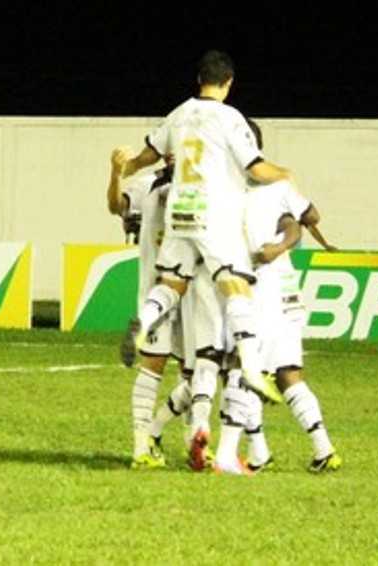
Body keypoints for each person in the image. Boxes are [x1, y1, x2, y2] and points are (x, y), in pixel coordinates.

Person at [117, 50, 295, 461]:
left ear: (199, 79)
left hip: (181, 210)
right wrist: (287, 175)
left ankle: (143, 322)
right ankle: (251, 365)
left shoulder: (178, 114)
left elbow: (145, 158)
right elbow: (256, 167)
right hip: (216, 214)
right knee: (236, 284)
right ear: (228, 81)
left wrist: (125, 165)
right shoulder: (230, 118)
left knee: (171, 284)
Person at [214, 120, 342, 474]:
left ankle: (244, 454)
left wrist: (278, 244)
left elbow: (303, 218)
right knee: (287, 372)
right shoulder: (244, 187)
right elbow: (297, 219)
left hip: (264, 290)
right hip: (282, 289)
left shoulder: (264, 187)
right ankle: (322, 448)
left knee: (241, 367)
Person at [107, 147, 194, 469]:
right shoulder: (147, 185)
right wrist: (116, 173)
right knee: (177, 367)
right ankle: (144, 447)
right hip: (177, 287)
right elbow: (117, 206)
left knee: (190, 371)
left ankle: (162, 440)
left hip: (173, 292)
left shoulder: (198, 185)